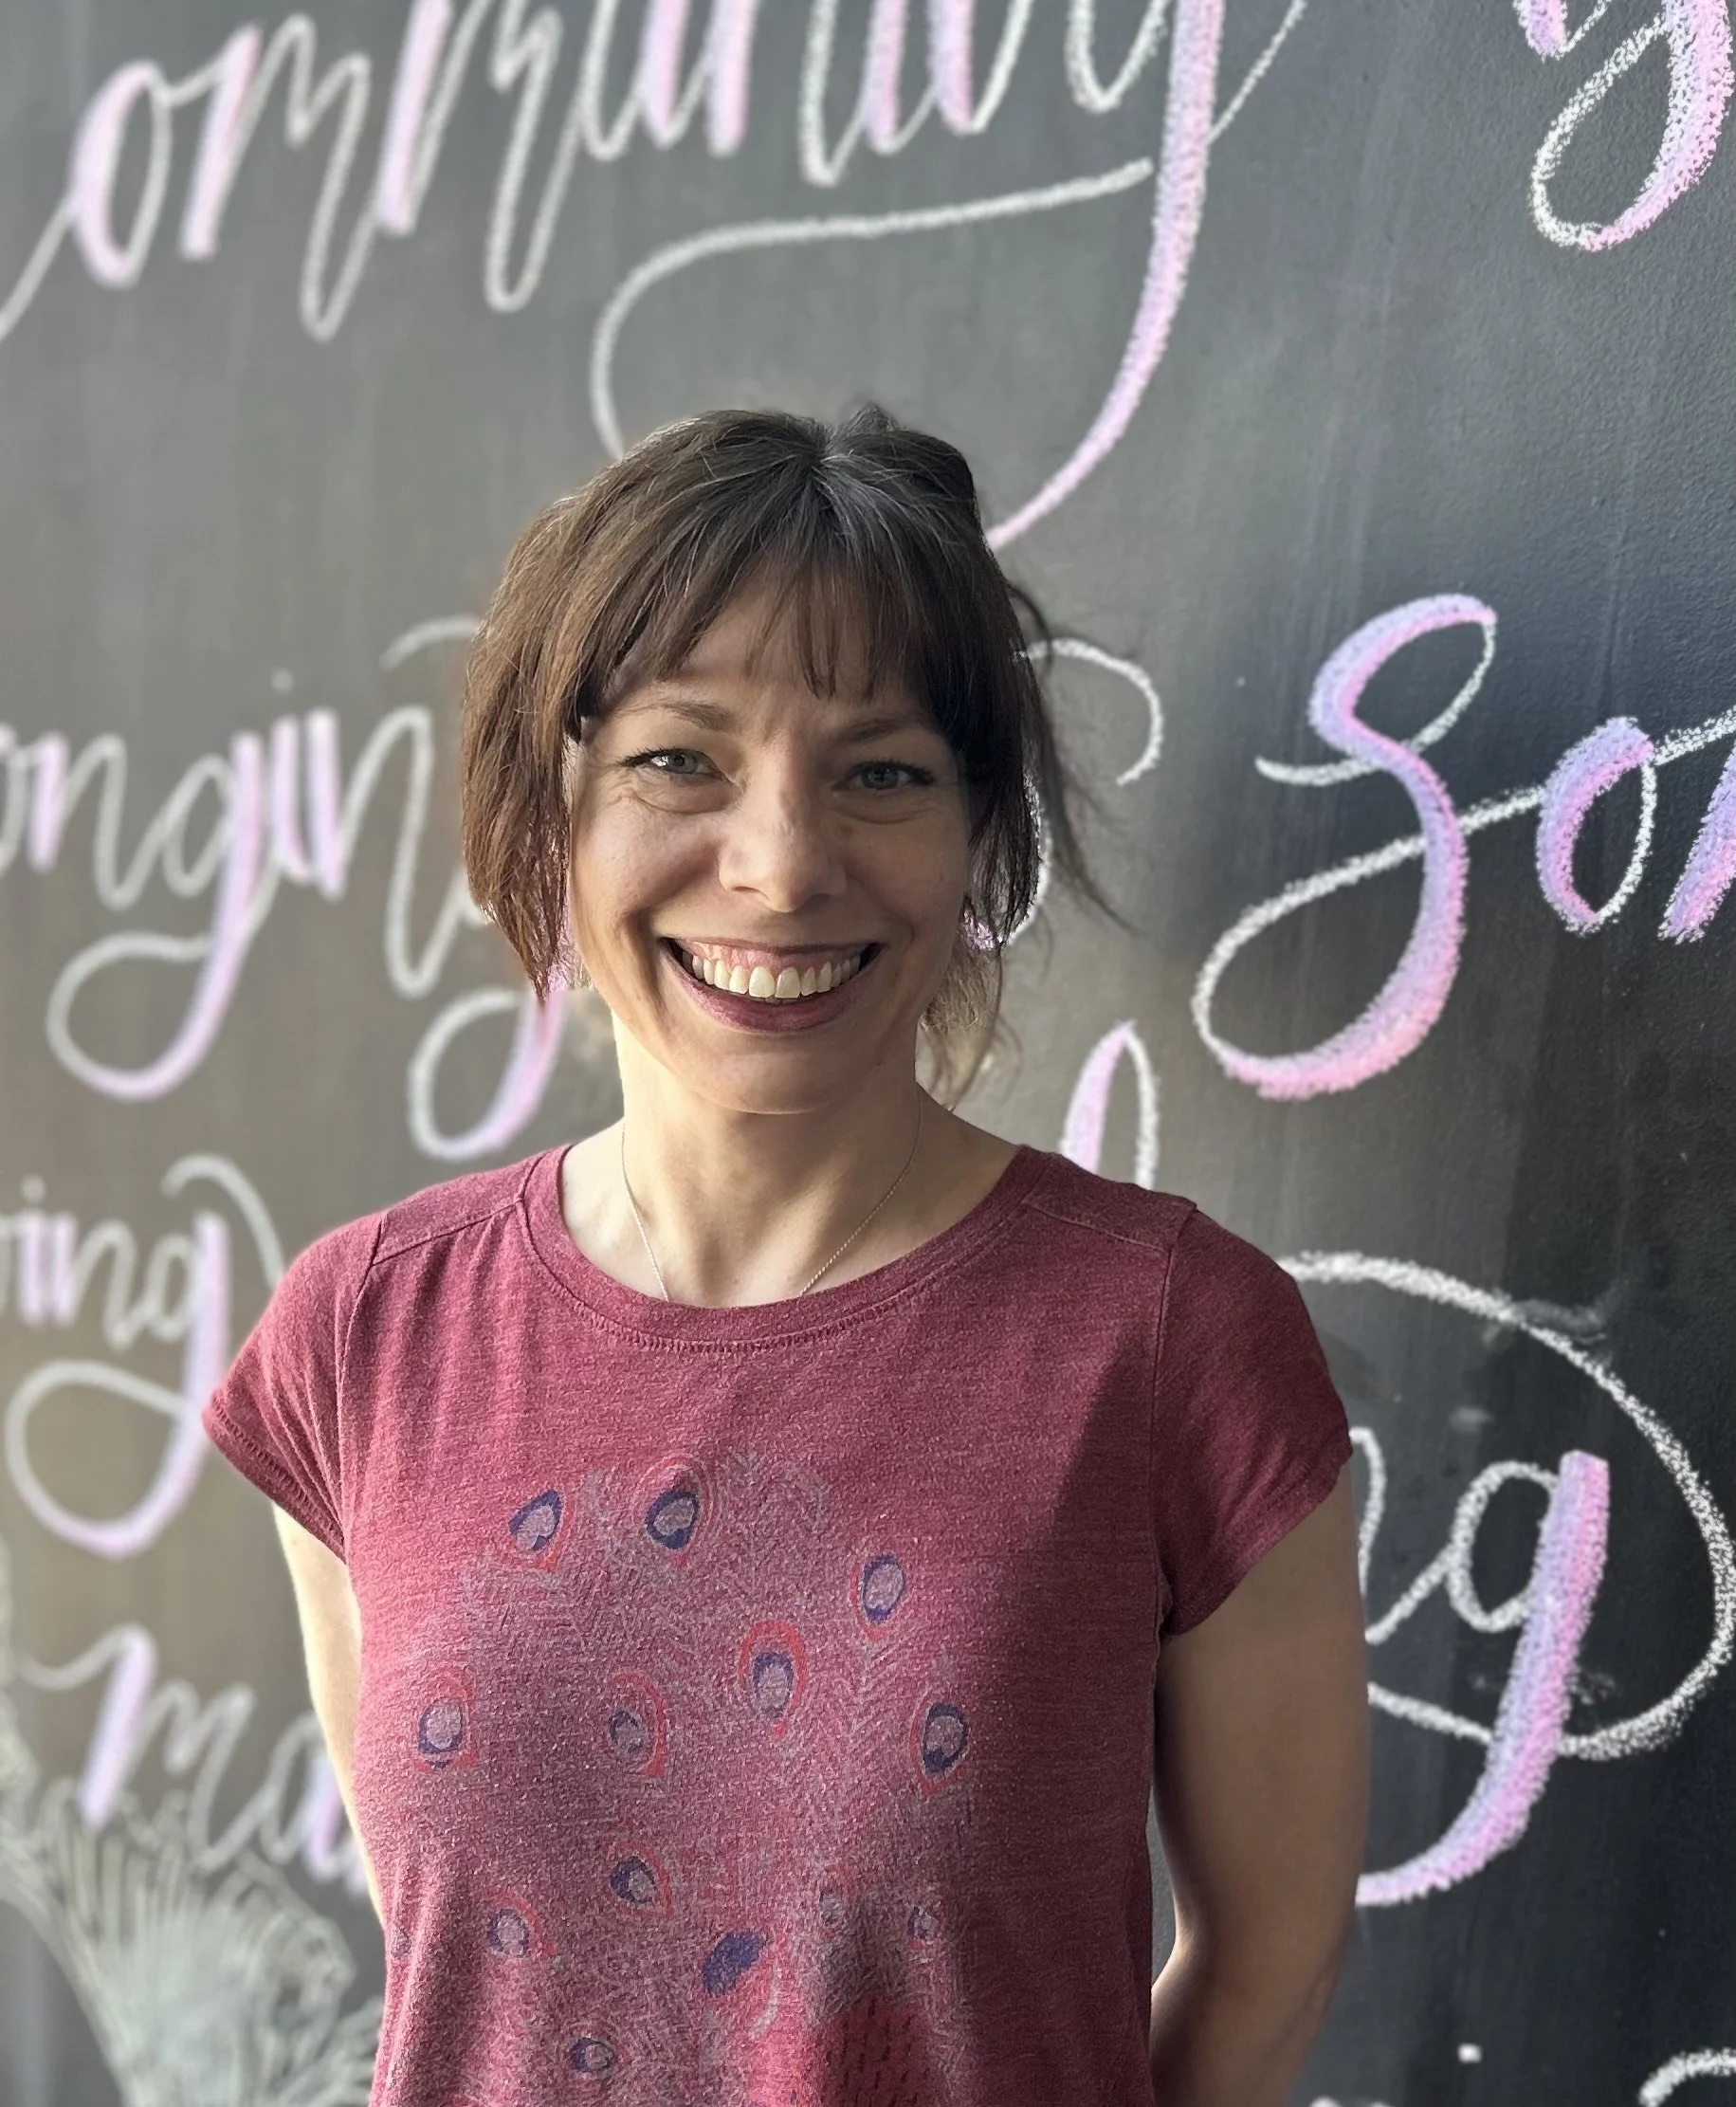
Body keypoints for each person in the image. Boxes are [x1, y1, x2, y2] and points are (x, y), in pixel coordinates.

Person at [202, 404, 1368, 2107]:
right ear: (553, 812)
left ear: (977, 833)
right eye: (680, 759)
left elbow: (1269, 1960)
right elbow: (454, 1929)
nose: (779, 865)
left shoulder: (1170, 1338)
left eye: (880, 772)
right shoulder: (365, 1332)